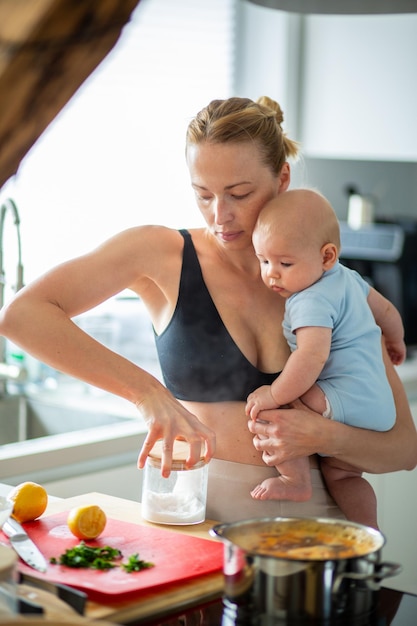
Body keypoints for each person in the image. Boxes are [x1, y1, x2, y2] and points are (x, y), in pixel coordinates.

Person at [0, 96, 416, 524]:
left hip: (323, 532)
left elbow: (403, 449)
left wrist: (324, 435)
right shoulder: (160, 255)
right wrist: (147, 394)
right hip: (199, 527)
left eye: (240, 194)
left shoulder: (324, 280)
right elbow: (22, 315)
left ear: (282, 178)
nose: (221, 216)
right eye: (203, 194)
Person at [245, 188, 406, 528]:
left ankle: (295, 481)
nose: (272, 273)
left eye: (285, 263)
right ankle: (369, 532)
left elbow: (310, 356)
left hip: (342, 398)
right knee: (344, 474)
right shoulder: (348, 279)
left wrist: (274, 394)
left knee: (281, 408)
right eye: (264, 261)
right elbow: (387, 311)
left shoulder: (310, 300)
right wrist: (396, 340)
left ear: (327, 256)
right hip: (378, 404)